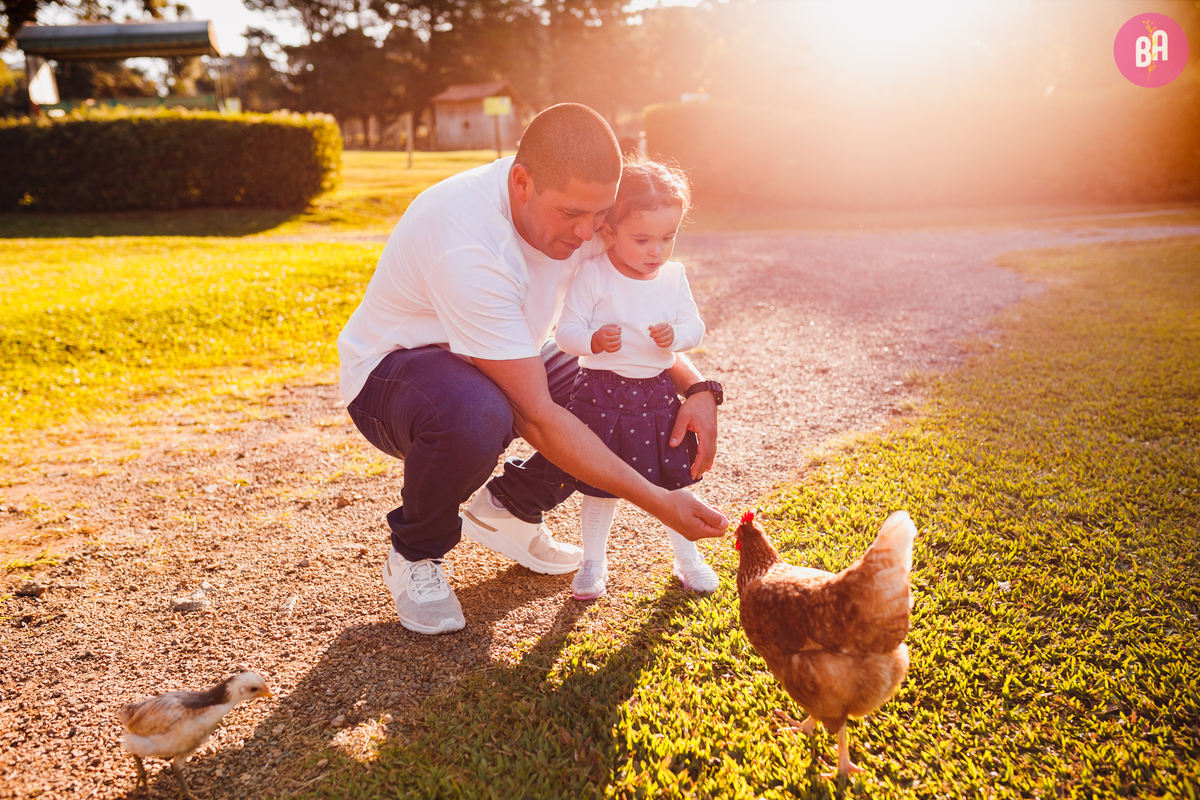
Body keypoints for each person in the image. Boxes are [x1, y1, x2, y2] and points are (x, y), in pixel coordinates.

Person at [337, 103, 728, 636]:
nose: (590, 231)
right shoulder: (465, 239)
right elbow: (537, 415)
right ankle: (415, 552)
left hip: (509, 348)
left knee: (609, 387)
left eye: (600, 215)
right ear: (521, 182)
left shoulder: (587, 210)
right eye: (572, 215)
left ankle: (509, 510)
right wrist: (660, 502)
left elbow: (630, 328)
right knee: (480, 412)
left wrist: (698, 388)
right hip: (395, 373)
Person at [549, 156, 720, 601]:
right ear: (610, 231)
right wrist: (593, 340)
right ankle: (592, 563)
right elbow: (564, 334)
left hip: (657, 396)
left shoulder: (674, 276)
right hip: (601, 395)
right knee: (602, 484)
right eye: (642, 239)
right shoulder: (594, 275)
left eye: (668, 238)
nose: (656, 251)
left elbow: (695, 328)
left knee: (673, 479)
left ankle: (688, 558)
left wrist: (676, 334)